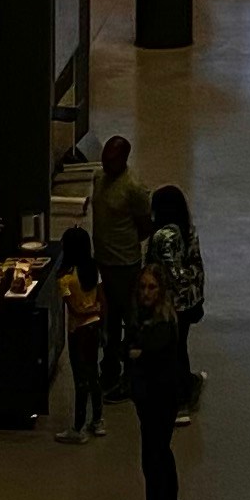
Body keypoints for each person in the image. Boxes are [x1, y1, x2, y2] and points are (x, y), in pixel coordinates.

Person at [119, 266, 184, 500]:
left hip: (159, 398)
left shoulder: (162, 325)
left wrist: (137, 354)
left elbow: (141, 353)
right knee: (161, 450)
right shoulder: (149, 319)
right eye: (143, 287)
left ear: (161, 291)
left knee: (152, 456)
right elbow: (131, 350)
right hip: (154, 397)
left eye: (152, 287)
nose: (146, 292)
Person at [93, 135, 153, 393]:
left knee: (130, 320)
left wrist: (125, 245)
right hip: (104, 262)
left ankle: (131, 374)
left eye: (111, 160)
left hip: (126, 264)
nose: (106, 164)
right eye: (104, 159)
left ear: (124, 160)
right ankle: (109, 368)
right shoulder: (99, 179)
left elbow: (144, 226)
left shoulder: (134, 188)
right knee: (109, 319)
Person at [146, 182, 206, 421]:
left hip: (174, 304)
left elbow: (171, 272)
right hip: (190, 299)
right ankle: (184, 388)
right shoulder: (187, 230)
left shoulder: (165, 237)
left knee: (172, 350)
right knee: (180, 347)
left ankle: (178, 400)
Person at [56, 227, 106, 440]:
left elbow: (72, 308)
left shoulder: (65, 278)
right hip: (94, 327)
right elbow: (102, 299)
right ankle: (98, 420)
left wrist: (86, 310)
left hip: (77, 331)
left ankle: (78, 427)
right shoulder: (94, 270)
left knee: (80, 379)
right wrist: (97, 311)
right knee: (94, 374)